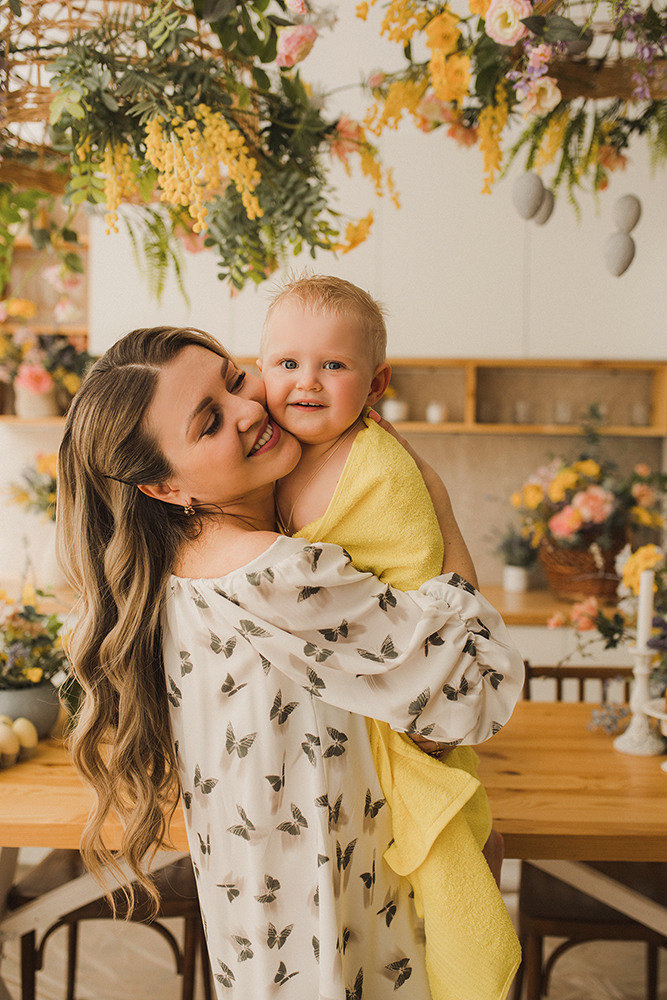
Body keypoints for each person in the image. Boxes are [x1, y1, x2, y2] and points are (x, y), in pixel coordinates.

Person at [57, 325, 524, 1000]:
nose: (248, 409)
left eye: (234, 379)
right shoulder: (267, 574)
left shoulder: (181, 568)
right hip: (336, 925)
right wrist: (436, 500)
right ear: (163, 487)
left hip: (272, 930)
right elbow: (474, 689)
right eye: (209, 422)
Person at [257, 273, 503, 881]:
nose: (307, 380)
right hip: (310, 717)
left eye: (333, 365)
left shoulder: (379, 469)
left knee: (434, 852)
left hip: (393, 688)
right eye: (287, 362)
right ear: (259, 370)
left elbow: (420, 572)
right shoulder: (269, 452)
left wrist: (429, 694)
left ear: (375, 384)